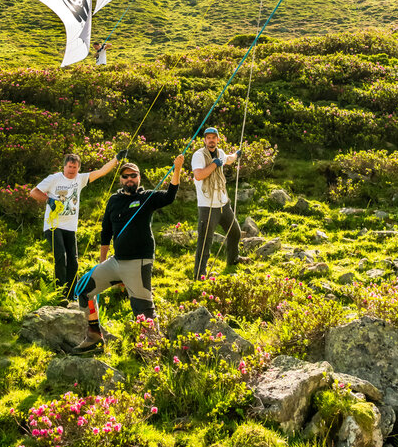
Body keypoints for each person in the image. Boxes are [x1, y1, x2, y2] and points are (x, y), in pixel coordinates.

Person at [74, 154, 184, 353]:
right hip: (115, 262)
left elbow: (170, 196)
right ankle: (94, 337)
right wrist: (101, 263)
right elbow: (105, 233)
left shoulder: (146, 197)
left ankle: (153, 350)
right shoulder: (114, 200)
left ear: (139, 178)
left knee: (143, 309)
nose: (129, 179)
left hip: (138, 262)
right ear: (120, 180)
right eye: (125, 176)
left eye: (133, 175)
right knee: (83, 290)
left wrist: (177, 169)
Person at [30, 153, 118, 301]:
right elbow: (33, 192)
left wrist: (117, 159)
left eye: (75, 167)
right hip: (53, 226)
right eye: (69, 167)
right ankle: (60, 294)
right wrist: (49, 200)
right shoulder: (54, 179)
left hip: (70, 227)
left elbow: (102, 171)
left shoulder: (80, 179)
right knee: (61, 257)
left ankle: (71, 296)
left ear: (78, 168)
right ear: (64, 167)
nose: (71, 170)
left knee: (73, 261)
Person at [192, 126, 245, 279]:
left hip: (223, 204)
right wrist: (214, 164)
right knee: (204, 244)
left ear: (217, 139)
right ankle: (199, 275)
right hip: (207, 207)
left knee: (234, 232)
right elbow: (199, 175)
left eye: (213, 138)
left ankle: (233, 260)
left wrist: (236, 154)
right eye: (208, 138)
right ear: (204, 140)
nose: (211, 140)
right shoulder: (199, 155)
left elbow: (227, 159)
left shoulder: (220, 152)